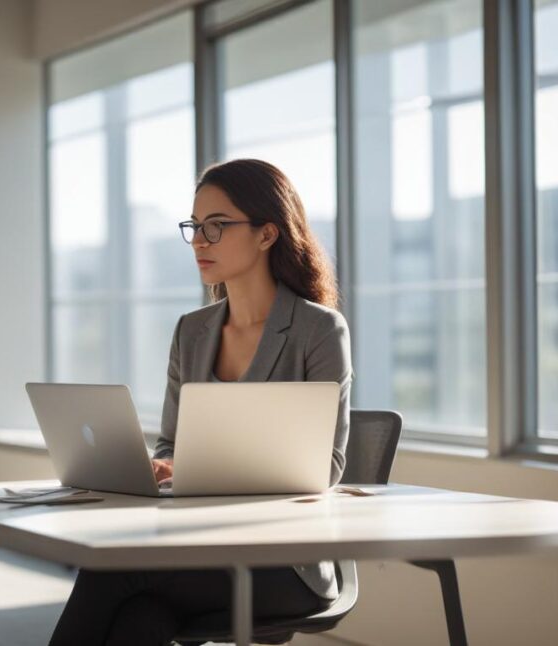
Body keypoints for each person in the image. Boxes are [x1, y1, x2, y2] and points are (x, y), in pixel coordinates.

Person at [48, 158, 353, 646]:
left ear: (267, 234)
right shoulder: (192, 332)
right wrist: (165, 465)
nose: (199, 241)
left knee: (109, 572)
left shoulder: (318, 330)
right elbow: (170, 441)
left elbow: (328, 467)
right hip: (195, 543)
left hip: (282, 564)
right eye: (195, 226)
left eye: (217, 226)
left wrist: (203, 468)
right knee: (141, 621)